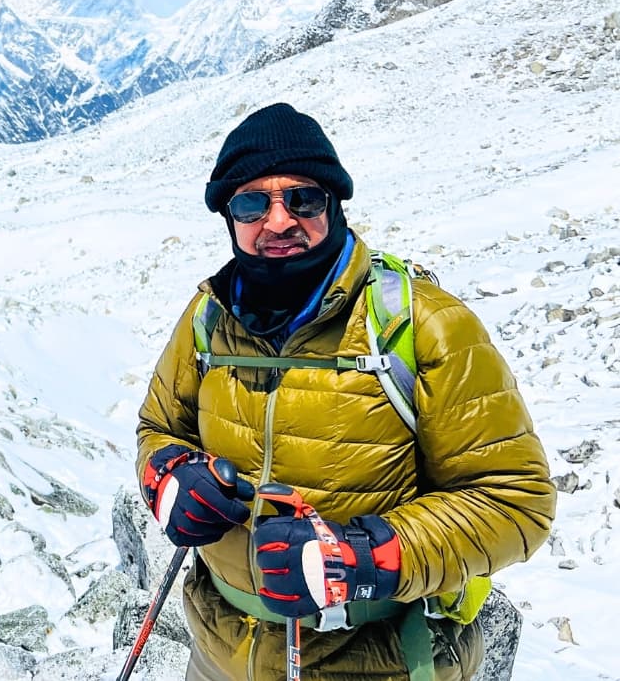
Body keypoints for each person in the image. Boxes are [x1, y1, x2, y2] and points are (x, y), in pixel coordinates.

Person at [135, 103, 554, 681]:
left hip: (380, 660)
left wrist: (364, 558)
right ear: (229, 217)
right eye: (252, 203)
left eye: (302, 199)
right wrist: (170, 476)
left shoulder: (421, 327)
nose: (278, 221)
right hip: (221, 650)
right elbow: (159, 429)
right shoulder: (208, 319)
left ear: (334, 204)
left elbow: (517, 502)